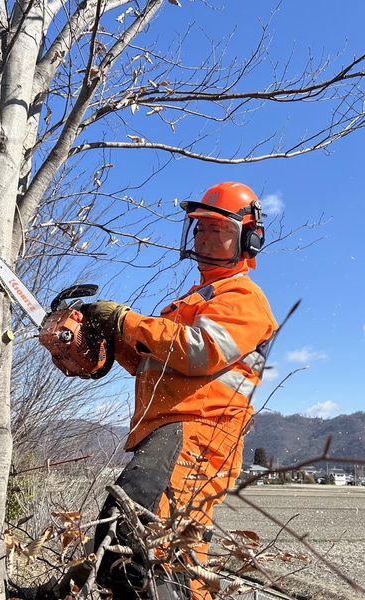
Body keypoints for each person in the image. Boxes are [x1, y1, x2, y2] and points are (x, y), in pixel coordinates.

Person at [41, 182, 278, 599]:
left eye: (219, 230)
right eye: (201, 228)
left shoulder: (243, 297)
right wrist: (103, 340)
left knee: (141, 544)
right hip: (170, 431)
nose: (206, 238)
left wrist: (125, 321)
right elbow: (154, 363)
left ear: (249, 239)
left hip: (199, 433)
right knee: (153, 548)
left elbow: (199, 351)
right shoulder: (192, 300)